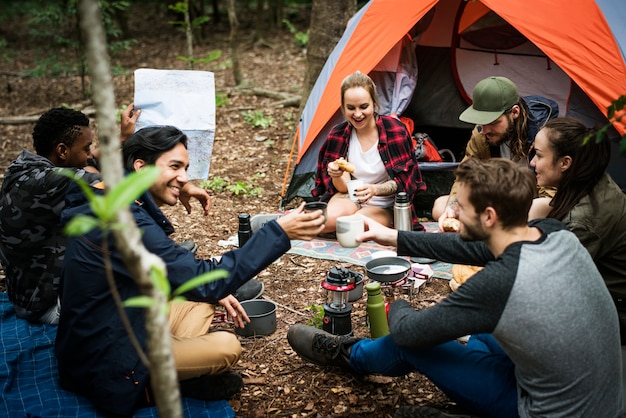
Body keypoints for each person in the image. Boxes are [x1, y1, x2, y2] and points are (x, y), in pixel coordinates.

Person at [288, 158, 623, 418]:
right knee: (480, 335)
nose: (453, 211)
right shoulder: (551, 231)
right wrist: (391, 236)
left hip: (548, 411)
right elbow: (478, 249)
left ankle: (351, 356)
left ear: (489, 216)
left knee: (411, 343)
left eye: (460, 206)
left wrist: (399, 304)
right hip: (598, 394)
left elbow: (410, 334)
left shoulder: (501, 284)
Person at [54, 126, 326, 417]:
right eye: (174, 167)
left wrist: (174, 185)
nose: (184, 177)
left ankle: (173, 368)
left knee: (203, 302)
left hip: (108, 328)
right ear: (141, 167)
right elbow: (205, 281)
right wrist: (278, 231)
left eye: (185, 168)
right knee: (227, 345)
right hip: (108, 361)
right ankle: (154, 387)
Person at [0, 107, 103, 324]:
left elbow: (89, 165)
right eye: (86, 148)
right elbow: (117, 185)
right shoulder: (52, 183)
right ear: (62, 151)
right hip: (47, 308)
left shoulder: (23, 170)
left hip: (25, 298)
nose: (89, 155)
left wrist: (122, 138)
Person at [528, 117, 626, 343]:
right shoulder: (590, 178)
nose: (532, 163)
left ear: (565, 163)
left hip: (614, 313)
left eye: (539, 156)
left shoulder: (584, 222)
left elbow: (552, 286)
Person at [432, 76, 558, 228]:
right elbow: (466, 175)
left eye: (493, 122)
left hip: (534, 202)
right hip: (499, 199)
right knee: (441, 206)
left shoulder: (543, 135)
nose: (485, 130)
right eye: (482, 122)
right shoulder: (482, 133)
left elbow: (551, 193)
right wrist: (452, 208)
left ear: (515, 112)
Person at [312, 71, 425, 233]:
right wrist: (336, 175)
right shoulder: (338, 134)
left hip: (383, 204)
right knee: (321, 223)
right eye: (351, 108)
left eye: (364, 107)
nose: (357, 114)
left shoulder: (394, 131)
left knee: (351, 225)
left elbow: (407, 181)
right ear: (343, 107)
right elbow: (343, 188)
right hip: (350, 197)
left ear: (374, 103)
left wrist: (375, 190)